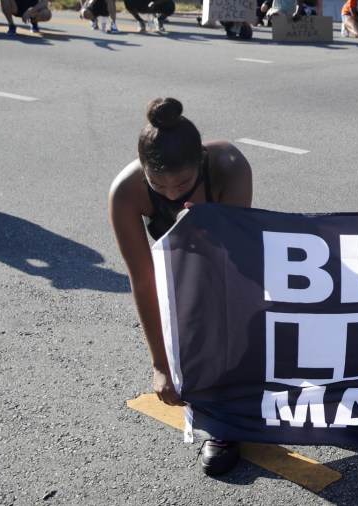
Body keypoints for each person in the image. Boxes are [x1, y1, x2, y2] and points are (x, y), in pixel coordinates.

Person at [109, 98, 253, 476]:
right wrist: (160, 364)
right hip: (167, 264)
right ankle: (215, 414)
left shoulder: (229, 167)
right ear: (143, 170)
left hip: (226, 260)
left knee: (225, 318)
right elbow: (142, 278)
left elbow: (230, 270)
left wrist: (203, 225)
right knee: (184, 324)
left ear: (201, 162)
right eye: (158, 184)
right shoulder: (125, 193)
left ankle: (226, 419)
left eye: (184, 183)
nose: (172, 195)